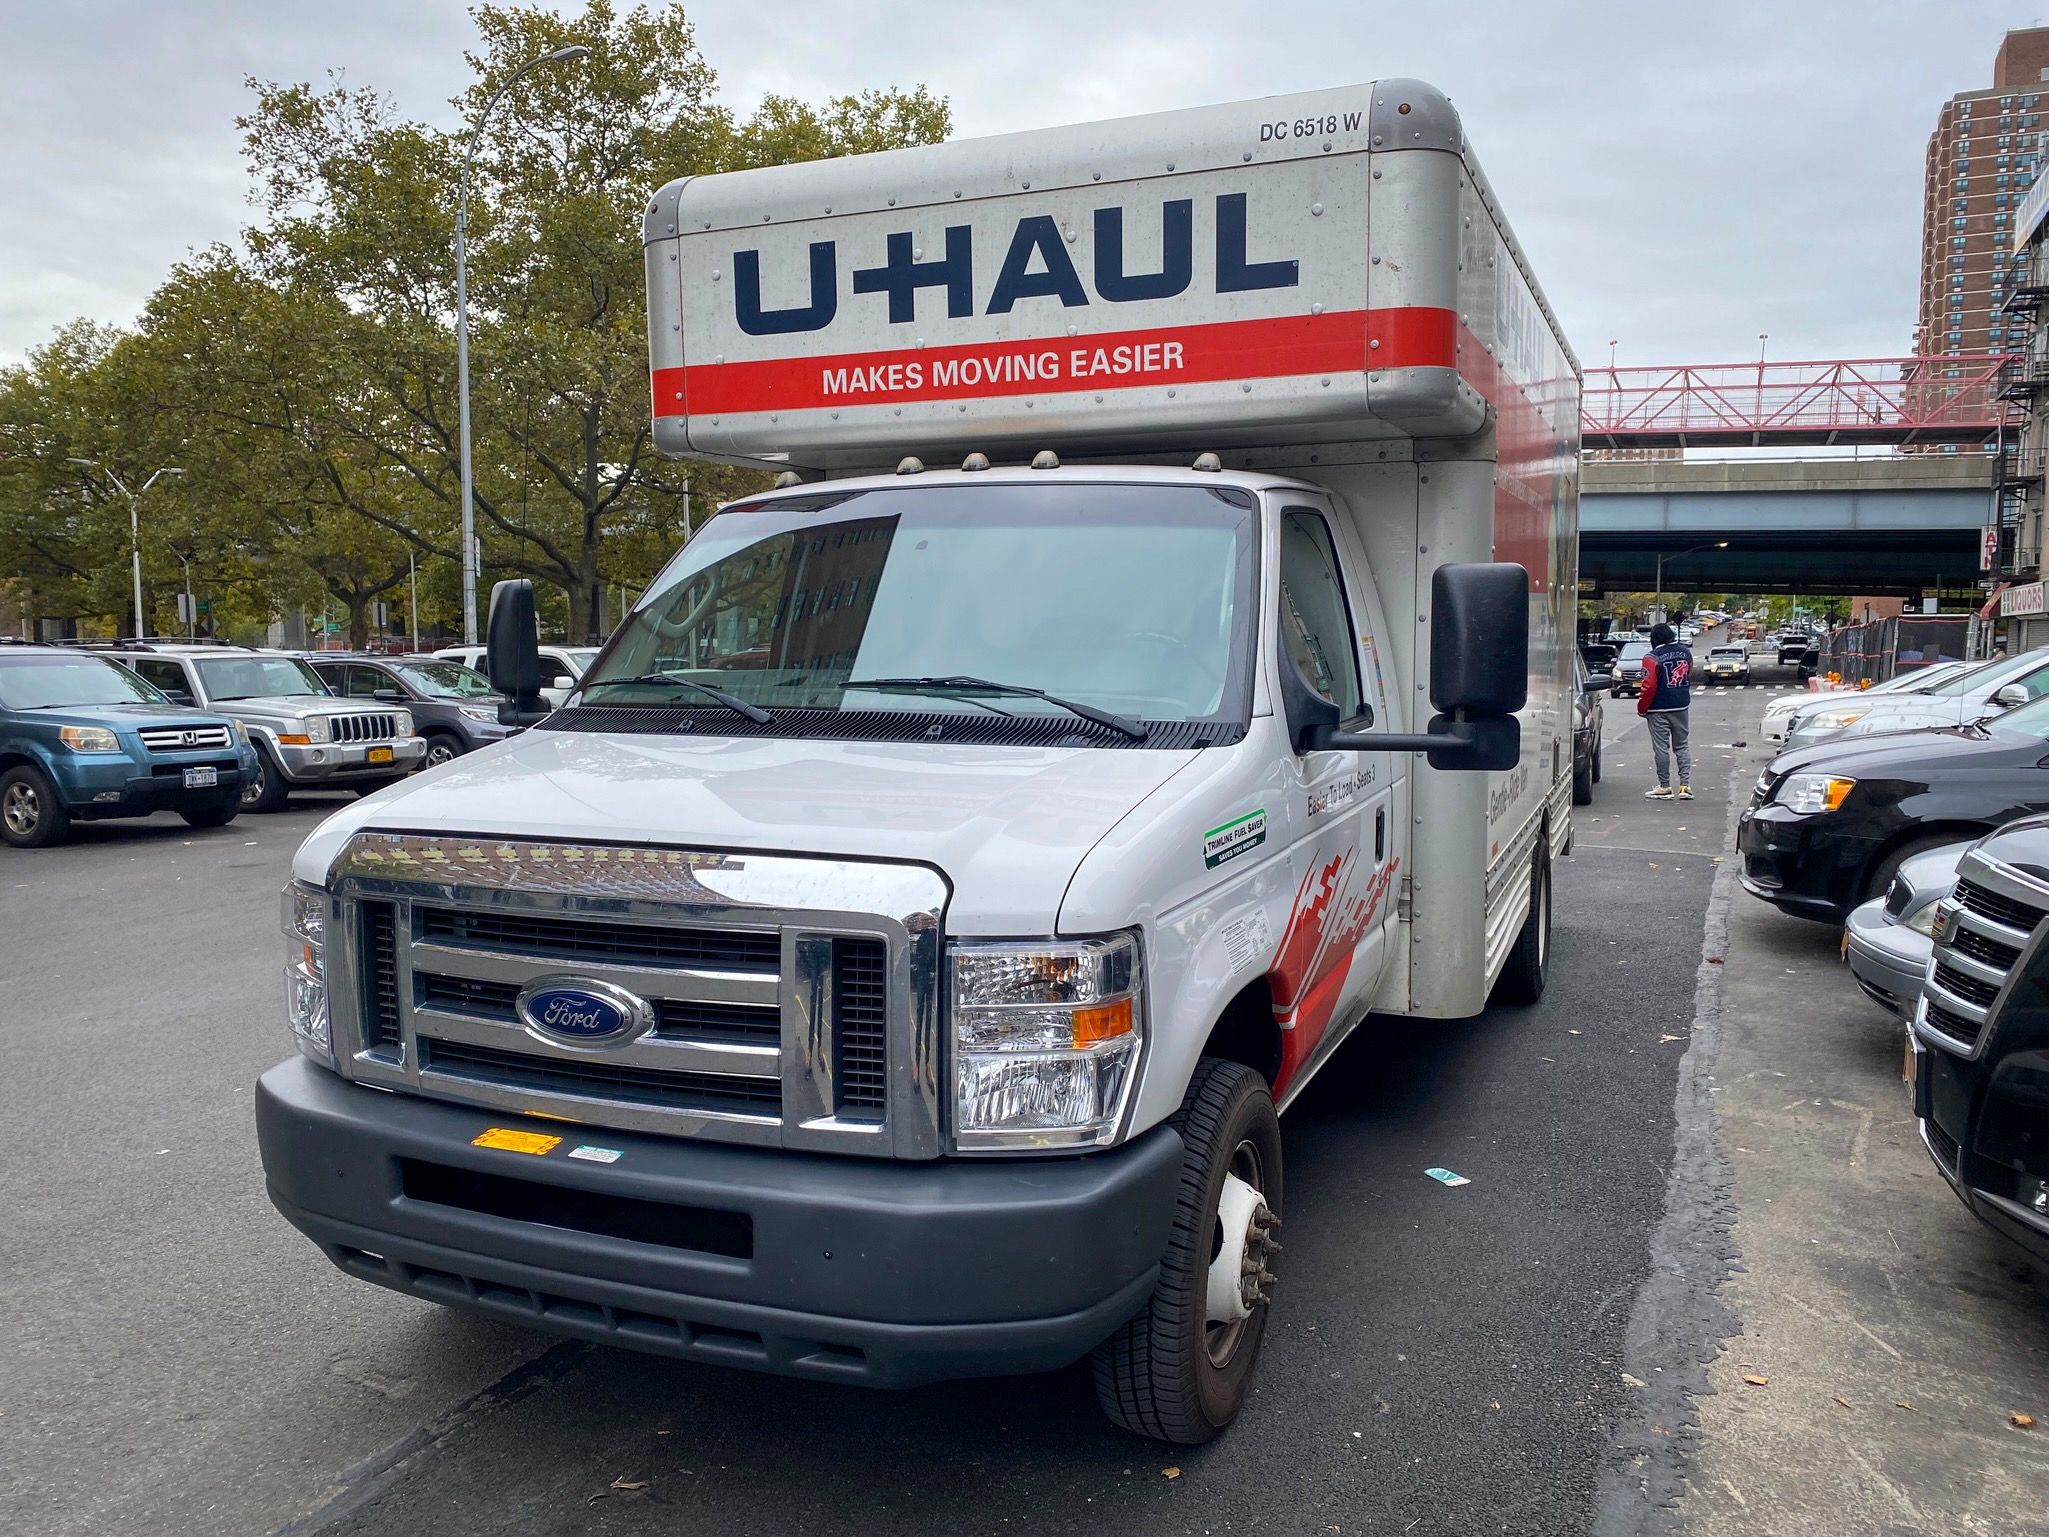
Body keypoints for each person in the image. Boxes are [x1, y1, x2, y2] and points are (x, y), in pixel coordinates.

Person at [1638, 621, 1693, 801]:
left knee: (1661, 747)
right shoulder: (1685, 652)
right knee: (1682, 745)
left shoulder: (1651, 657)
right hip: (1681, 705)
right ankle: (1685, 786)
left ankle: (1665, 786)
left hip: (1658, 707)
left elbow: (1649, 685)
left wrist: (1642, 708)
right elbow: (1688, 673)